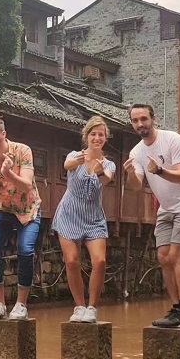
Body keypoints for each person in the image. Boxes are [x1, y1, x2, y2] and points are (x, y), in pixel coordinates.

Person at [123, 104, 180, 328]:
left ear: (153, 119)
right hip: (167, 208)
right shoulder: (136, 152)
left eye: (143, 119)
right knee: (163, 256)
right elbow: (136, 187)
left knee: (177, 255)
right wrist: (131, 173)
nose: (140, 124)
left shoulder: (174, 140)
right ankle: (175, 309)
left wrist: (159, 170)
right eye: (135, 120)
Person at [52, 116, 116, 323]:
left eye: (101, 135)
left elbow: (107, 178)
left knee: (100, 260)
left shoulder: (109, 163)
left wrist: (98, 173)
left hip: (93, 216)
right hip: (69, 213)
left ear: (105, 138)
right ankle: (79, 306)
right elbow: (67, 164)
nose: (97, 138)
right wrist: (79, 160)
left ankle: (92, 307)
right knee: (72, 261)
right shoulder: (75, 155)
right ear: (86, 136)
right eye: (93, 134)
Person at [0, 117, 41, 320]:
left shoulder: (22, 150)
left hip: (28, 210)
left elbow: (27, 185)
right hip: (3, 210)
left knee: (25, 250)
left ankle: (21, 304)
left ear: (3, 134)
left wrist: (7, 173)